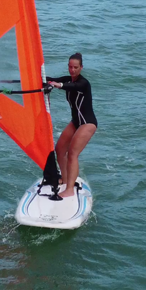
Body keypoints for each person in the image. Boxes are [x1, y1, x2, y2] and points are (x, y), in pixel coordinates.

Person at [47, 53, 97, 198]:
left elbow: (72, 86)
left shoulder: (84, 83)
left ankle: (69, 189)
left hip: (87, 123)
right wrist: (36, 78)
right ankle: (65, 178)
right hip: (76, 122)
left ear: (81, 67)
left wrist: (59, 85)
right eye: (70, 67)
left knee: (72, 154)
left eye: (75, 67)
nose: (72, 70)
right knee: (60, 149)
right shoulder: (68, 79)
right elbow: (52, 80)